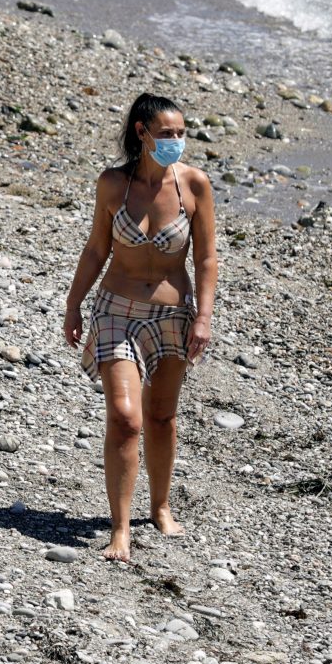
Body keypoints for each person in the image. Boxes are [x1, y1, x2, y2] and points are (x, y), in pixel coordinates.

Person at [63, 92, 217, 562]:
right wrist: (73, 305)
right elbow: (96, 250)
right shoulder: (113, 185)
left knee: (162, 417)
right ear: (141, 133)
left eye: (181, 133)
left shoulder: (194, 185)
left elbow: (207, 258)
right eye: (166, 133)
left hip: (172, 316)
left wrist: (204, 318)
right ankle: (120, 529)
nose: (176, 141)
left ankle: (161, 506)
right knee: (126, 419)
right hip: (116, 312)